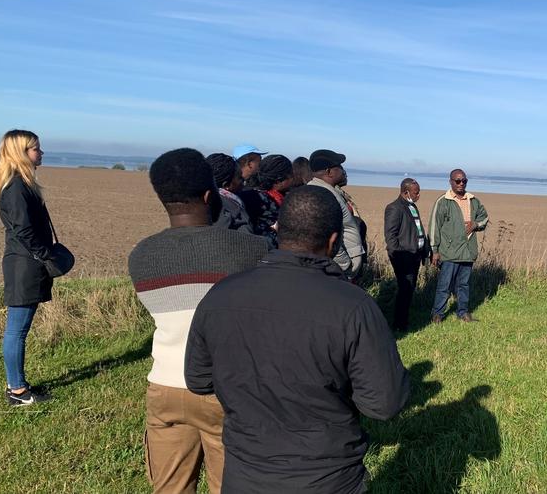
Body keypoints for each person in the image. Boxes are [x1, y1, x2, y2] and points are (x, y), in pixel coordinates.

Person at [185, 185, 409, 493]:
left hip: (243, 474)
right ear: (333, 241)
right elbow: (384, 404)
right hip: (327, 476)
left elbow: (198, 379)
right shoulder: (353, 306)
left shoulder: (220, 295)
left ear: (278, 230)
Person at [128, 148, 268, 493]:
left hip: (164, 388)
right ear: (210, 195)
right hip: (229, 387)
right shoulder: (254, 250)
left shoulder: (140, 255)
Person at [0, 130, 54, 406]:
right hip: (24, 264)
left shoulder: (12, 179)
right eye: (36, 149)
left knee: (18, 328)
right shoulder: (16, 187)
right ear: (21, 153)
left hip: (24, 261)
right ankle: (16, 390)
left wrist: (7, 147)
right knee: (17, 329)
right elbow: (24, 229)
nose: (41, 153)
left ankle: (17, 385)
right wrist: (44, 255)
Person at [428, 169, 489, 324]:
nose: (461, 183)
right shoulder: (442, 201)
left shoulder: (473, 200)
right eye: (457, 181)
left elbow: (485, 218)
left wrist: (476, 224)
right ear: (450, 182)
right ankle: (437, 314)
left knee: (464, 285)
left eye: (464, 181)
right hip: (449, 252)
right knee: (444, 285)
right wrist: (434, 250)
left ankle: (463, 312)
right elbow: (434, 226)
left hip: (468, 251)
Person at [307, 149, 365, 279]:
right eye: (339, 167)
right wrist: (344, 265)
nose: (343, 171)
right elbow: (326, 235)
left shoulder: (327, 190)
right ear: (329, 172)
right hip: (339, 270)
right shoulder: (323, 195)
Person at [384, 178, 431, 331]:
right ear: (406, 192)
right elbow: (391, 237)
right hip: (404, 257)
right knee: (405, 289)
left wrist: (424, 251)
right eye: (416, 193)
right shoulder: (394, 208)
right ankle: (400, 324)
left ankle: (404, 320)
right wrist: (398, 256)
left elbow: (418, 230)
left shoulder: (412, 206)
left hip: (415, 256)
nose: (418, 195)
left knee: (409, 289)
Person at [238, 154, 293, 248]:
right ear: (279, 180)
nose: (292, 179)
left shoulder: (247, 194)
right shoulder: (272, 202)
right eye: (291, 175)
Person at [205, 152, 253, 232]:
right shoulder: (229, 209)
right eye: (240, 178)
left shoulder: (197, 201)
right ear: (226, 184)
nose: (243, 182)